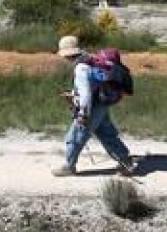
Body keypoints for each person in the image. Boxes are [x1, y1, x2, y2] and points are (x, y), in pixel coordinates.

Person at [52, 35, 137, 177]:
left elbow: (85, 94)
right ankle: (126, 162)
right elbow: (92, 86)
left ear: (68, 54)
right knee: (107, 134)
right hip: (100, 105)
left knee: (74, 136)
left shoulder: (81, 68)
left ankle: (69, 166)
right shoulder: (90, 60)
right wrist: (73, 94)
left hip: (92, 108)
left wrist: (82, 115)